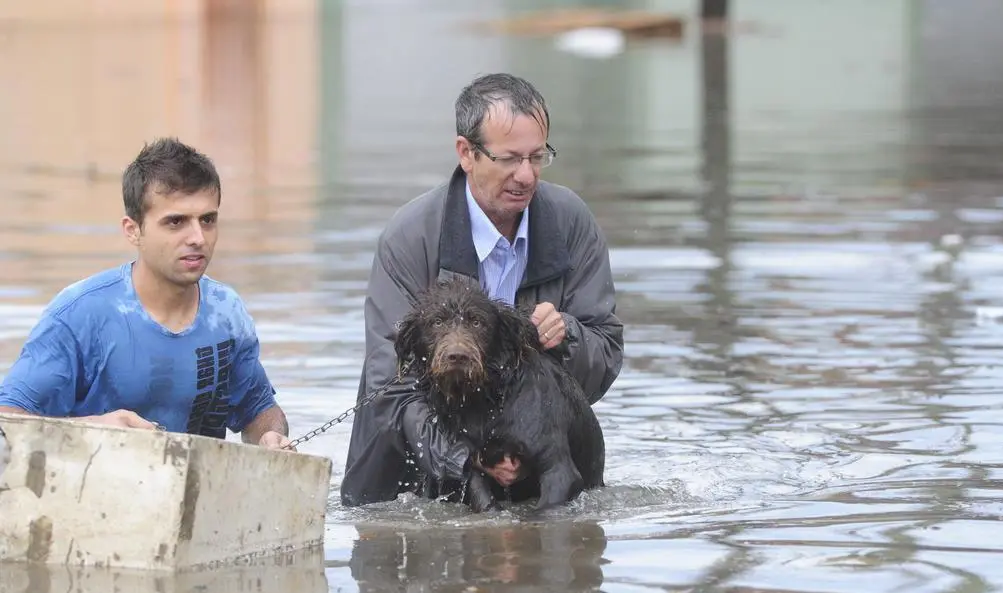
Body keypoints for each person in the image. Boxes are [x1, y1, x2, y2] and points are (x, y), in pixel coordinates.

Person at [340, 73, 624, 506]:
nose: (526, 176)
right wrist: (468, 461)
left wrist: (567, 334)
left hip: (538, 474)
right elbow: (390, 389)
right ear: (466, 153)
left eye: (537, 156)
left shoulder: (571, 222)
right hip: (408, 480)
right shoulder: (409, 236)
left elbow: (605, 355)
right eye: (509, 158)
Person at [0, 137, 292, 450]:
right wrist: (94, 428)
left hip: (198, 493)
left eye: (207, 220)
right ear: (133, 230)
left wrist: (270, 435)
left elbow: (258, 408)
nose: (197, 237)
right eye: (176, 222)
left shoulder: (227, 312)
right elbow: (7, 423)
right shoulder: (79, 315)